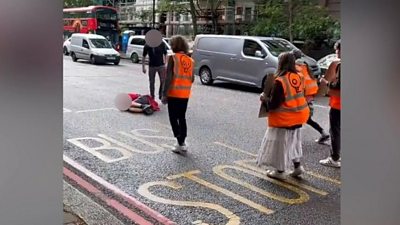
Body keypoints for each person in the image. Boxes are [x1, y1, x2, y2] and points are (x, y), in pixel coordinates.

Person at [257, 52, 310, 180]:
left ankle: (280, 171)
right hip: (300, 115)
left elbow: (274, 104)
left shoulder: (280, 80)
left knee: (281, 145)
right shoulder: (299, 76)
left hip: (285, 118)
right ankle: (297, 167)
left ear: (281, 63)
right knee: (294, 142)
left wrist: (264, 98)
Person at [161, 35, 194, 154]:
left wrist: (164, 94)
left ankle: (179, 142)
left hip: (174, 93)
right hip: (185, 94)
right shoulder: (190, 60)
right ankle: (182, 142)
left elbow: (168, 78)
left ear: (174, 45)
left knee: (173, 118)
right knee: (182, 117)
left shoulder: (173, 58)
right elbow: (192, 79)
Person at [292, 49, 330, 144]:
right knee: (306, 119)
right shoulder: (305, 65)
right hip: (309, 96)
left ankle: (293, 141)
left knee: (297, 119)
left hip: (302, 97)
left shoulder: (296, 67)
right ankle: (323, 133)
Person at [319, 40, 341, 168]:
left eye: (337, 49)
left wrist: (325, 82)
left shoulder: (340, 65)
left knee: (335, 131)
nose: (336, 52)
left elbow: (338, 86)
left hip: (339, 105)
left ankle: (334, 158)